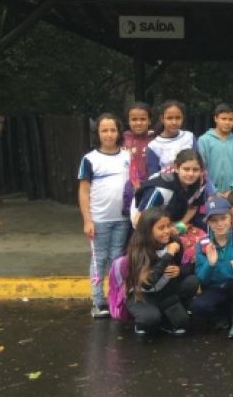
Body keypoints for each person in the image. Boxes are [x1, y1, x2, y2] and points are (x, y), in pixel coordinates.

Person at [78, 113, 130, 318]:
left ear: (119, 132)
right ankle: (97, 301)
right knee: (99, 260)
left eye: (112, 130)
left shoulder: (127, 156)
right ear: (97, 133)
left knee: (116, 259)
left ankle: (115, 298)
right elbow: (83, 191)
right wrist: (87, 220)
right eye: (104, 130)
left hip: (122, 219)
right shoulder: (90, 159)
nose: (109, 134)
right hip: (99, 220)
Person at [191, 197, 233, 339]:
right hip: (215, 288)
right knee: (197, 306)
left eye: (223, 218)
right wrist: (210, 264)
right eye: (214, 220)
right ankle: (221, 317)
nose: (219, 224)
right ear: (208, 223)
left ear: (230, 218)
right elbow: (201, 279)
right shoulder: (203, 245)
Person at [124, 206, 198, 336]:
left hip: (165, 292)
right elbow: (147, 283)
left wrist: (179, 270)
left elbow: (189, 268)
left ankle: (169, 314)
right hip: (143, 295)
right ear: (148, 231)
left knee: (182, 322)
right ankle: (147, 317)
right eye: (161, 228)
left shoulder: (175, 241)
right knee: (149, 320)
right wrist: (168, 255)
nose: (167, 231)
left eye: (168, 226)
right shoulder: (137, 248)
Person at [132, 149, 206, 229]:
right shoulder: (160, 190)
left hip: (171, 221)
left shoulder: (200, 182)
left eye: (195, 170)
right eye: (186, 169)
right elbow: (138, 221)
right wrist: (166, 231)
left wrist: (178, 226)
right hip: (145, 227)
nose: (191, 174)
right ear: (176, 168)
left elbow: (193, 207)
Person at [197, 103, 233, 196]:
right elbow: (201, 168)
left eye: (231, 119)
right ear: (216, 118)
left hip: (232, 195)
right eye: (223, 119)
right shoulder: (204, 140)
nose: (227, 122)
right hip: (208, 193)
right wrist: (212, 190)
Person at [145, 100, 196, 177]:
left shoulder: (189, 137)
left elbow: (199, 166)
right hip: (166, 187)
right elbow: (153, 177)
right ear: (162, 119)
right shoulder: (154, 146)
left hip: (192, 185)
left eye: (178, 118)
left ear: (183, 118)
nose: (174, 122)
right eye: (169, 118)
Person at [121, 102, 154, 191]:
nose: (138, 123)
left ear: (149, 120)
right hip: (125, 189)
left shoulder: (156, 139)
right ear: (128, 121)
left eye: (143, 119)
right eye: (134, 119)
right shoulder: (120, 139)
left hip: (150, 187)